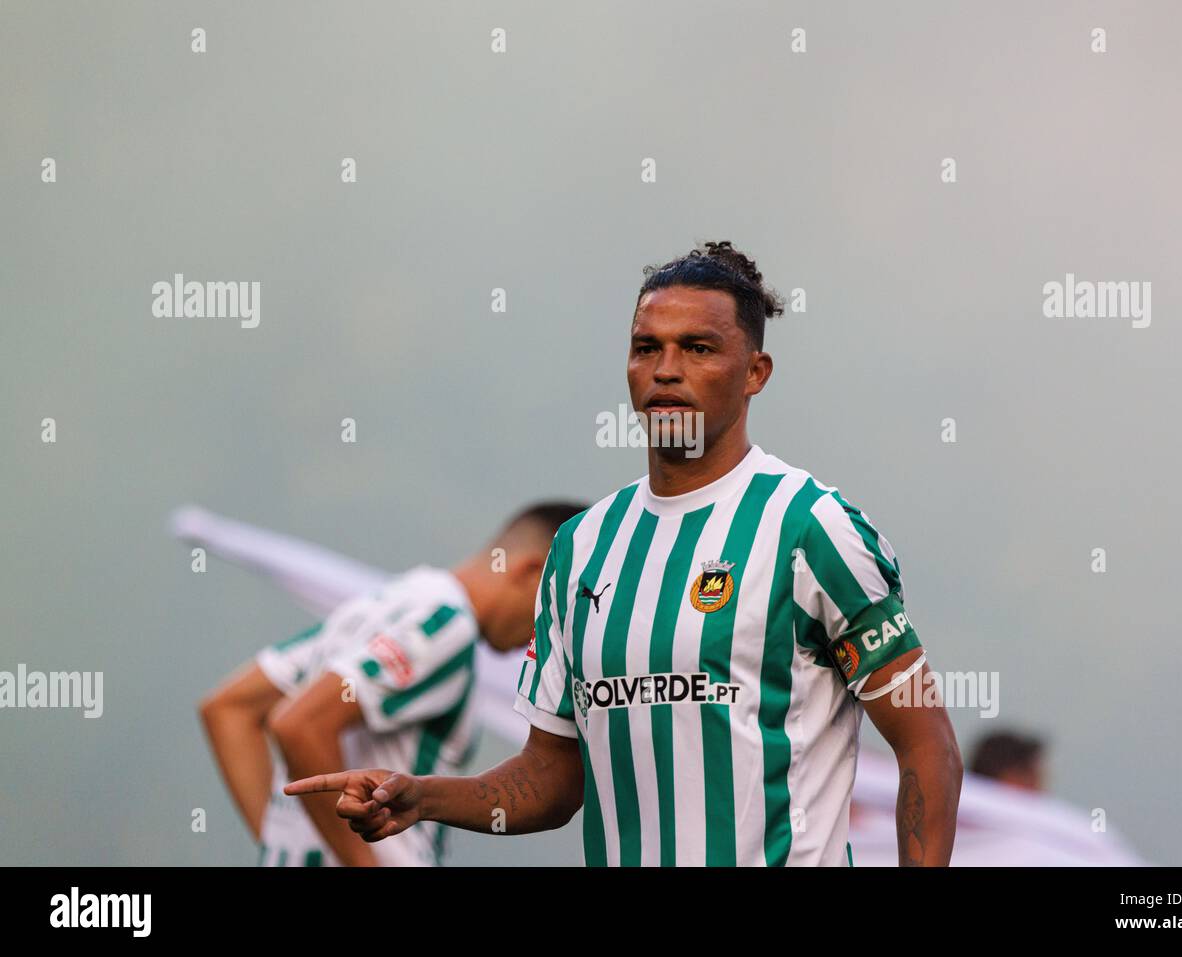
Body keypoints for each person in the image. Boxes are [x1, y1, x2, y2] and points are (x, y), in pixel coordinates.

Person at [288, 240, 963, 866]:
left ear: (755, 371)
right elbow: (551, 778)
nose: (667, 369)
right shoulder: (581, 547)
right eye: (647, 347)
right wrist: (424, 797)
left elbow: (927, 745)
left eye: (699, 348)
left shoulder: (811, 526)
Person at [199, 501, 585, 865]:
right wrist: (361, 862)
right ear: (532, 571)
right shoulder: (445, 625)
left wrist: (284, 851)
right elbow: (299, 724)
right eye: (558, 606)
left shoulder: (388, 602)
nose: (556, 629)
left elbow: (229, 709)